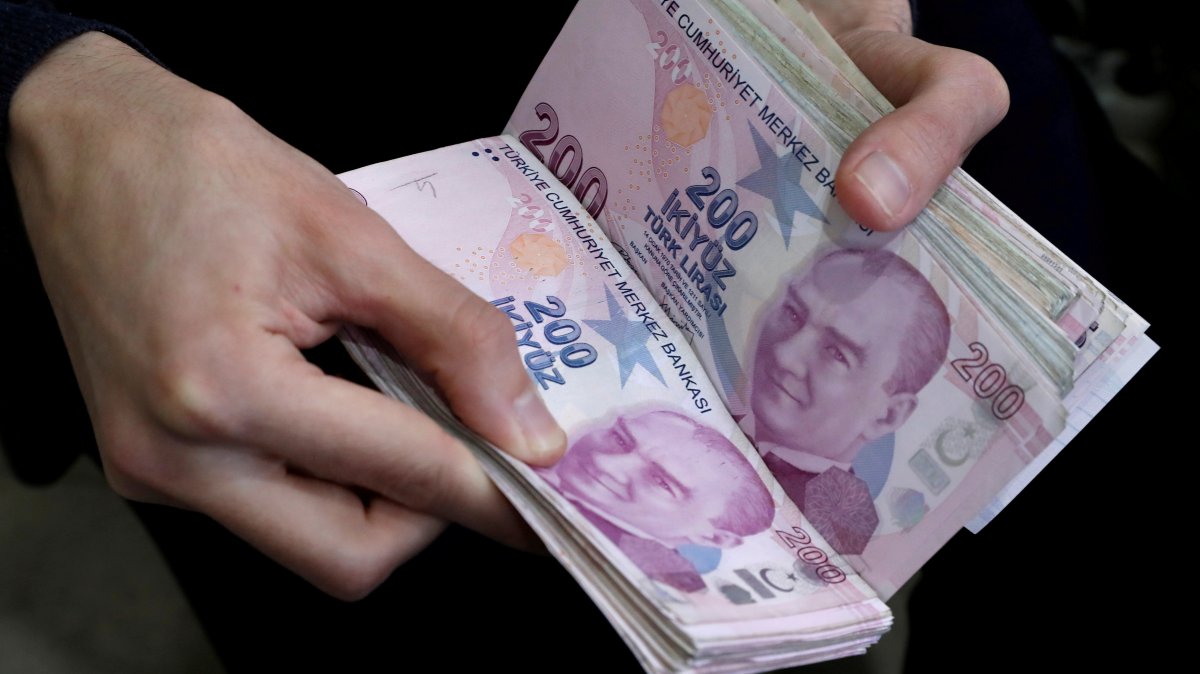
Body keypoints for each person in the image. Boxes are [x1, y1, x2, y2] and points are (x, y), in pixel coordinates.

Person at [19, 0, 1170, 671]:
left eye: (838, 353)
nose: (790, 351)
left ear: (891, 408)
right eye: (803, 322)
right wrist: (36, 80)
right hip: (241, 217)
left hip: (878, 66)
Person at [747, 247, 950, 541]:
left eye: (836, 353)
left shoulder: (843, 534)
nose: (784, 354)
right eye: (792, 313)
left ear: (888, 415)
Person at [539, 409, 773, 593]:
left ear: (713, 537)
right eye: (620, 439)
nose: (603, 462)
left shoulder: (666, 585)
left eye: (662, 482)